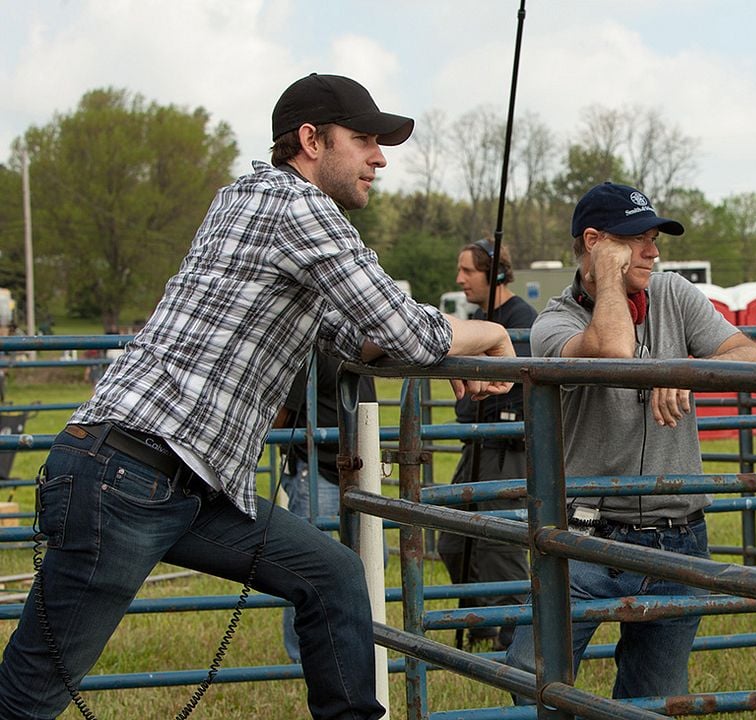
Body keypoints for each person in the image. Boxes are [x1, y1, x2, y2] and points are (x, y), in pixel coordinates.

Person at [0, 73, 515, 720]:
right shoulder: (299, 209)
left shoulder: (245, 200)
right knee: (26, 698)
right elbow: (406, 330)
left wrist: (443, 352)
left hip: (174, 481)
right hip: (130, 476)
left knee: (330, 576)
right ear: (310, 140)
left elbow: (356, 338)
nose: (379, 158)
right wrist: (491, 330)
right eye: (363, 140)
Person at [504, 181, 756, 700]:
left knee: (654, 698)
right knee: (530, 675)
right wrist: (607, 276)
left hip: (679, 533)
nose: (654, 250)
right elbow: (614, 349)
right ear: (595, 241)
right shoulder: (554, 322)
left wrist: (691, 370)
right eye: (636, 239)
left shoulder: (673, 293)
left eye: (655, 237)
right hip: (586, 535)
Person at [437, 240, 536, 651]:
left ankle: (514, 638)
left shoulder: (521, 321)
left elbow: (522, 391)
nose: (460, 280)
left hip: (507, 446)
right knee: (454, 540)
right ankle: (481, 620)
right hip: (475, 445)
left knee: (500, 545)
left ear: (495, 273)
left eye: (468, 271)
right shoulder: (479, 320)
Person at [275, 348, 377, 664]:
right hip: (318, 468)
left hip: (355, 467)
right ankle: (303, 655)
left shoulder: (359, 342)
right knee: (307, 568)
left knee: (371, 561)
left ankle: (344, 646)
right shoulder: (311, 344)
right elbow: (282, 413)